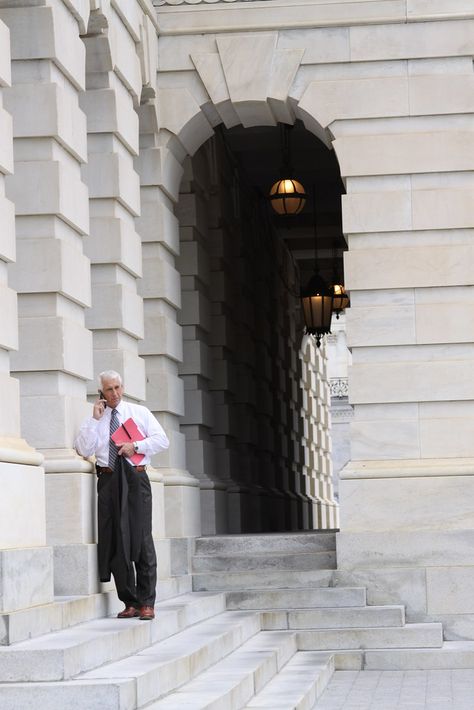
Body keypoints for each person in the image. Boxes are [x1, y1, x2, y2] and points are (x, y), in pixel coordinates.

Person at [75, 370, 169, 620]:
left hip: (135, 477)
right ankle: (130, 600)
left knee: (141, 538)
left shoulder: (139, 413)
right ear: (101, 392)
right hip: (107, 478)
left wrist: (136, 446)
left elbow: (162, 440)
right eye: (109, 389)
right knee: (115, 539)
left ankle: (147, 602)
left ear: (123, 387)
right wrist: (94, 421)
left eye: (117, 388)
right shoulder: (98, 418)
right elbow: (83, 449)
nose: (114, 393)